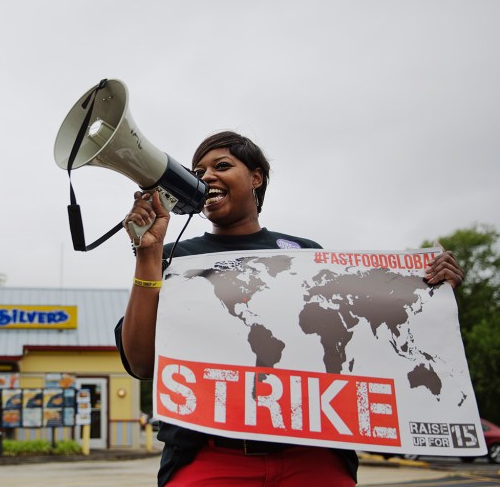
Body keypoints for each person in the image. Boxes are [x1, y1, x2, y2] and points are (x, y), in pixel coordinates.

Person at [114, 131, 464, 486]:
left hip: (312, 458)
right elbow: (142, 363)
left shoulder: (306, 254)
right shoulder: (173, 256)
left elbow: (368, 334)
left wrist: (430, 290)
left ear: (256, 177)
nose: (206, 177)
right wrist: (147, 254)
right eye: (198, 172)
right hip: (209, 458)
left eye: (222, 165)